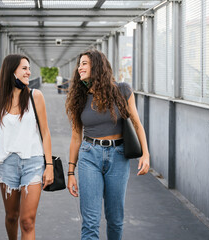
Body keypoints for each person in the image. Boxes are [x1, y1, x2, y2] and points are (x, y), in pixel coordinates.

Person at [65, 50, 150, 240]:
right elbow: (76, 137)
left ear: (97, 66)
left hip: (118, 156)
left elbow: (136, 123)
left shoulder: (122, 90)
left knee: (115, 219)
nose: (80, 67)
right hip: (89, 155)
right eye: (79, 64)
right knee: (90, 222)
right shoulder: (79, 97)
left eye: (84, 63)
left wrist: (146, 154)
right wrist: (71, 172)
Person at [0, 54, 54, 240]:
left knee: (27, 221)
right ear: (11, 70)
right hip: (7, 164)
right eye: (24, 68)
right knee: (11, 217)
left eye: (29, 68)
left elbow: (46, 132)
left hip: (33, 162)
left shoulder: (35, 96)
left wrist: (49, 165)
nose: (29, 72)